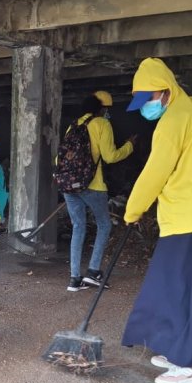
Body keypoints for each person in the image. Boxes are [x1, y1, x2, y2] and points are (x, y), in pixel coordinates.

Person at [121, 58, 192, 383]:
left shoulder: (173, 121)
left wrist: (132, 210)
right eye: (142, 101)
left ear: (166, 92)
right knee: (173, 285)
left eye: (150, 99)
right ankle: (177, 347)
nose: (147, 107)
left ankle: (190, 364)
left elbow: (156, 171)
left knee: (182, 288)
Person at [60, 91, 135, 291]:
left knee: (78, 227)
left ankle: (75, 279)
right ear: (102, 109)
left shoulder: (73, 126)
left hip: (69, 185)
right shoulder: (102, 124)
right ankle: (93, 272)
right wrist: (130, 146)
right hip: (93, 186)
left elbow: (60, 159)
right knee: (104, 225)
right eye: (107, 109)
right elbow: (110, 156)